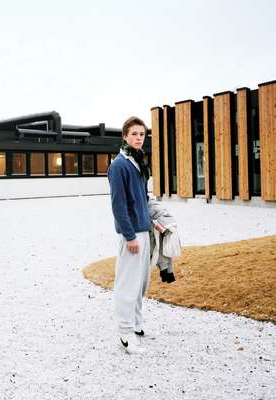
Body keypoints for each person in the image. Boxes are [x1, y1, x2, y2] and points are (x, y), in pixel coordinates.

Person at [107, 116, 152, 354]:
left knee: (140, 283)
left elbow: (144, 198)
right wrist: (130, 235)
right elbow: (118, 205)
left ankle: (135, 324)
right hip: (132, 235)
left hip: (144, 231)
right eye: (134, 134)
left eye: (142, 134)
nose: (138, 138)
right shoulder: (119, 166)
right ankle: (125, 334)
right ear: (125, 136)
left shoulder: (139, 162)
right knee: (127, 284)